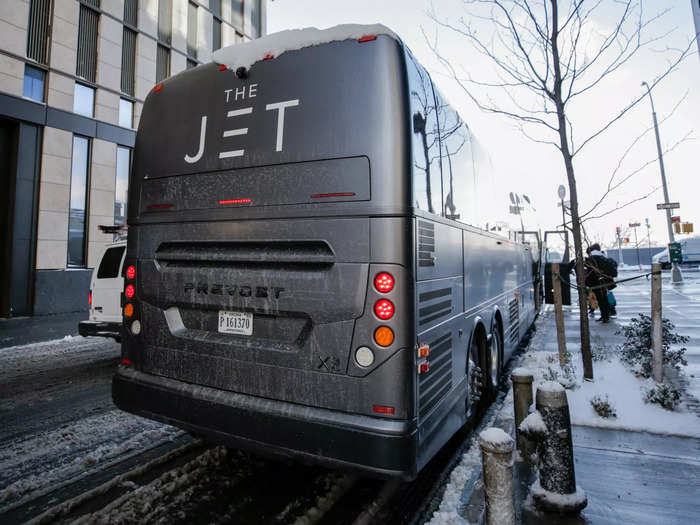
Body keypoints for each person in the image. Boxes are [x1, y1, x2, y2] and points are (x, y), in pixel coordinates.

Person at [585, 244, 615, 323]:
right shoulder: (604, 257)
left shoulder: (592, 259)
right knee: (604, 299)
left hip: (596, 283)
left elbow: (589, 272)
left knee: (601, 300)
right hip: (606, 282)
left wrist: (587, 283)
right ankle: (606, 315)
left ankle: (605, 316)